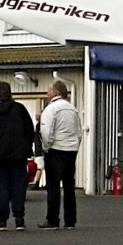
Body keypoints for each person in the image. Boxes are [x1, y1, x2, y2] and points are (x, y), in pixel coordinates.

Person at [0, 81, 34, 231]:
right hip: (17, 156)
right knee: (18, 187)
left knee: (0, 187)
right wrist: (26, 149)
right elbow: (29, 131)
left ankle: (2, 219)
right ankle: (19, 218)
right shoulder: (19, 109)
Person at [37, 80, 82, 230]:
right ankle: (70, 221)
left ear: (56, 92)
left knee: (53, 186)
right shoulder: (73, 109)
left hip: (55, 150)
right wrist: (75, 146)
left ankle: (53, 220)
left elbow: (46, 131)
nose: (47, 93)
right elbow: (79, 131)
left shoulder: (51, 109)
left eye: (49, 90)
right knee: (69, 186)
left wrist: (46, 146)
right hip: (71, 150)